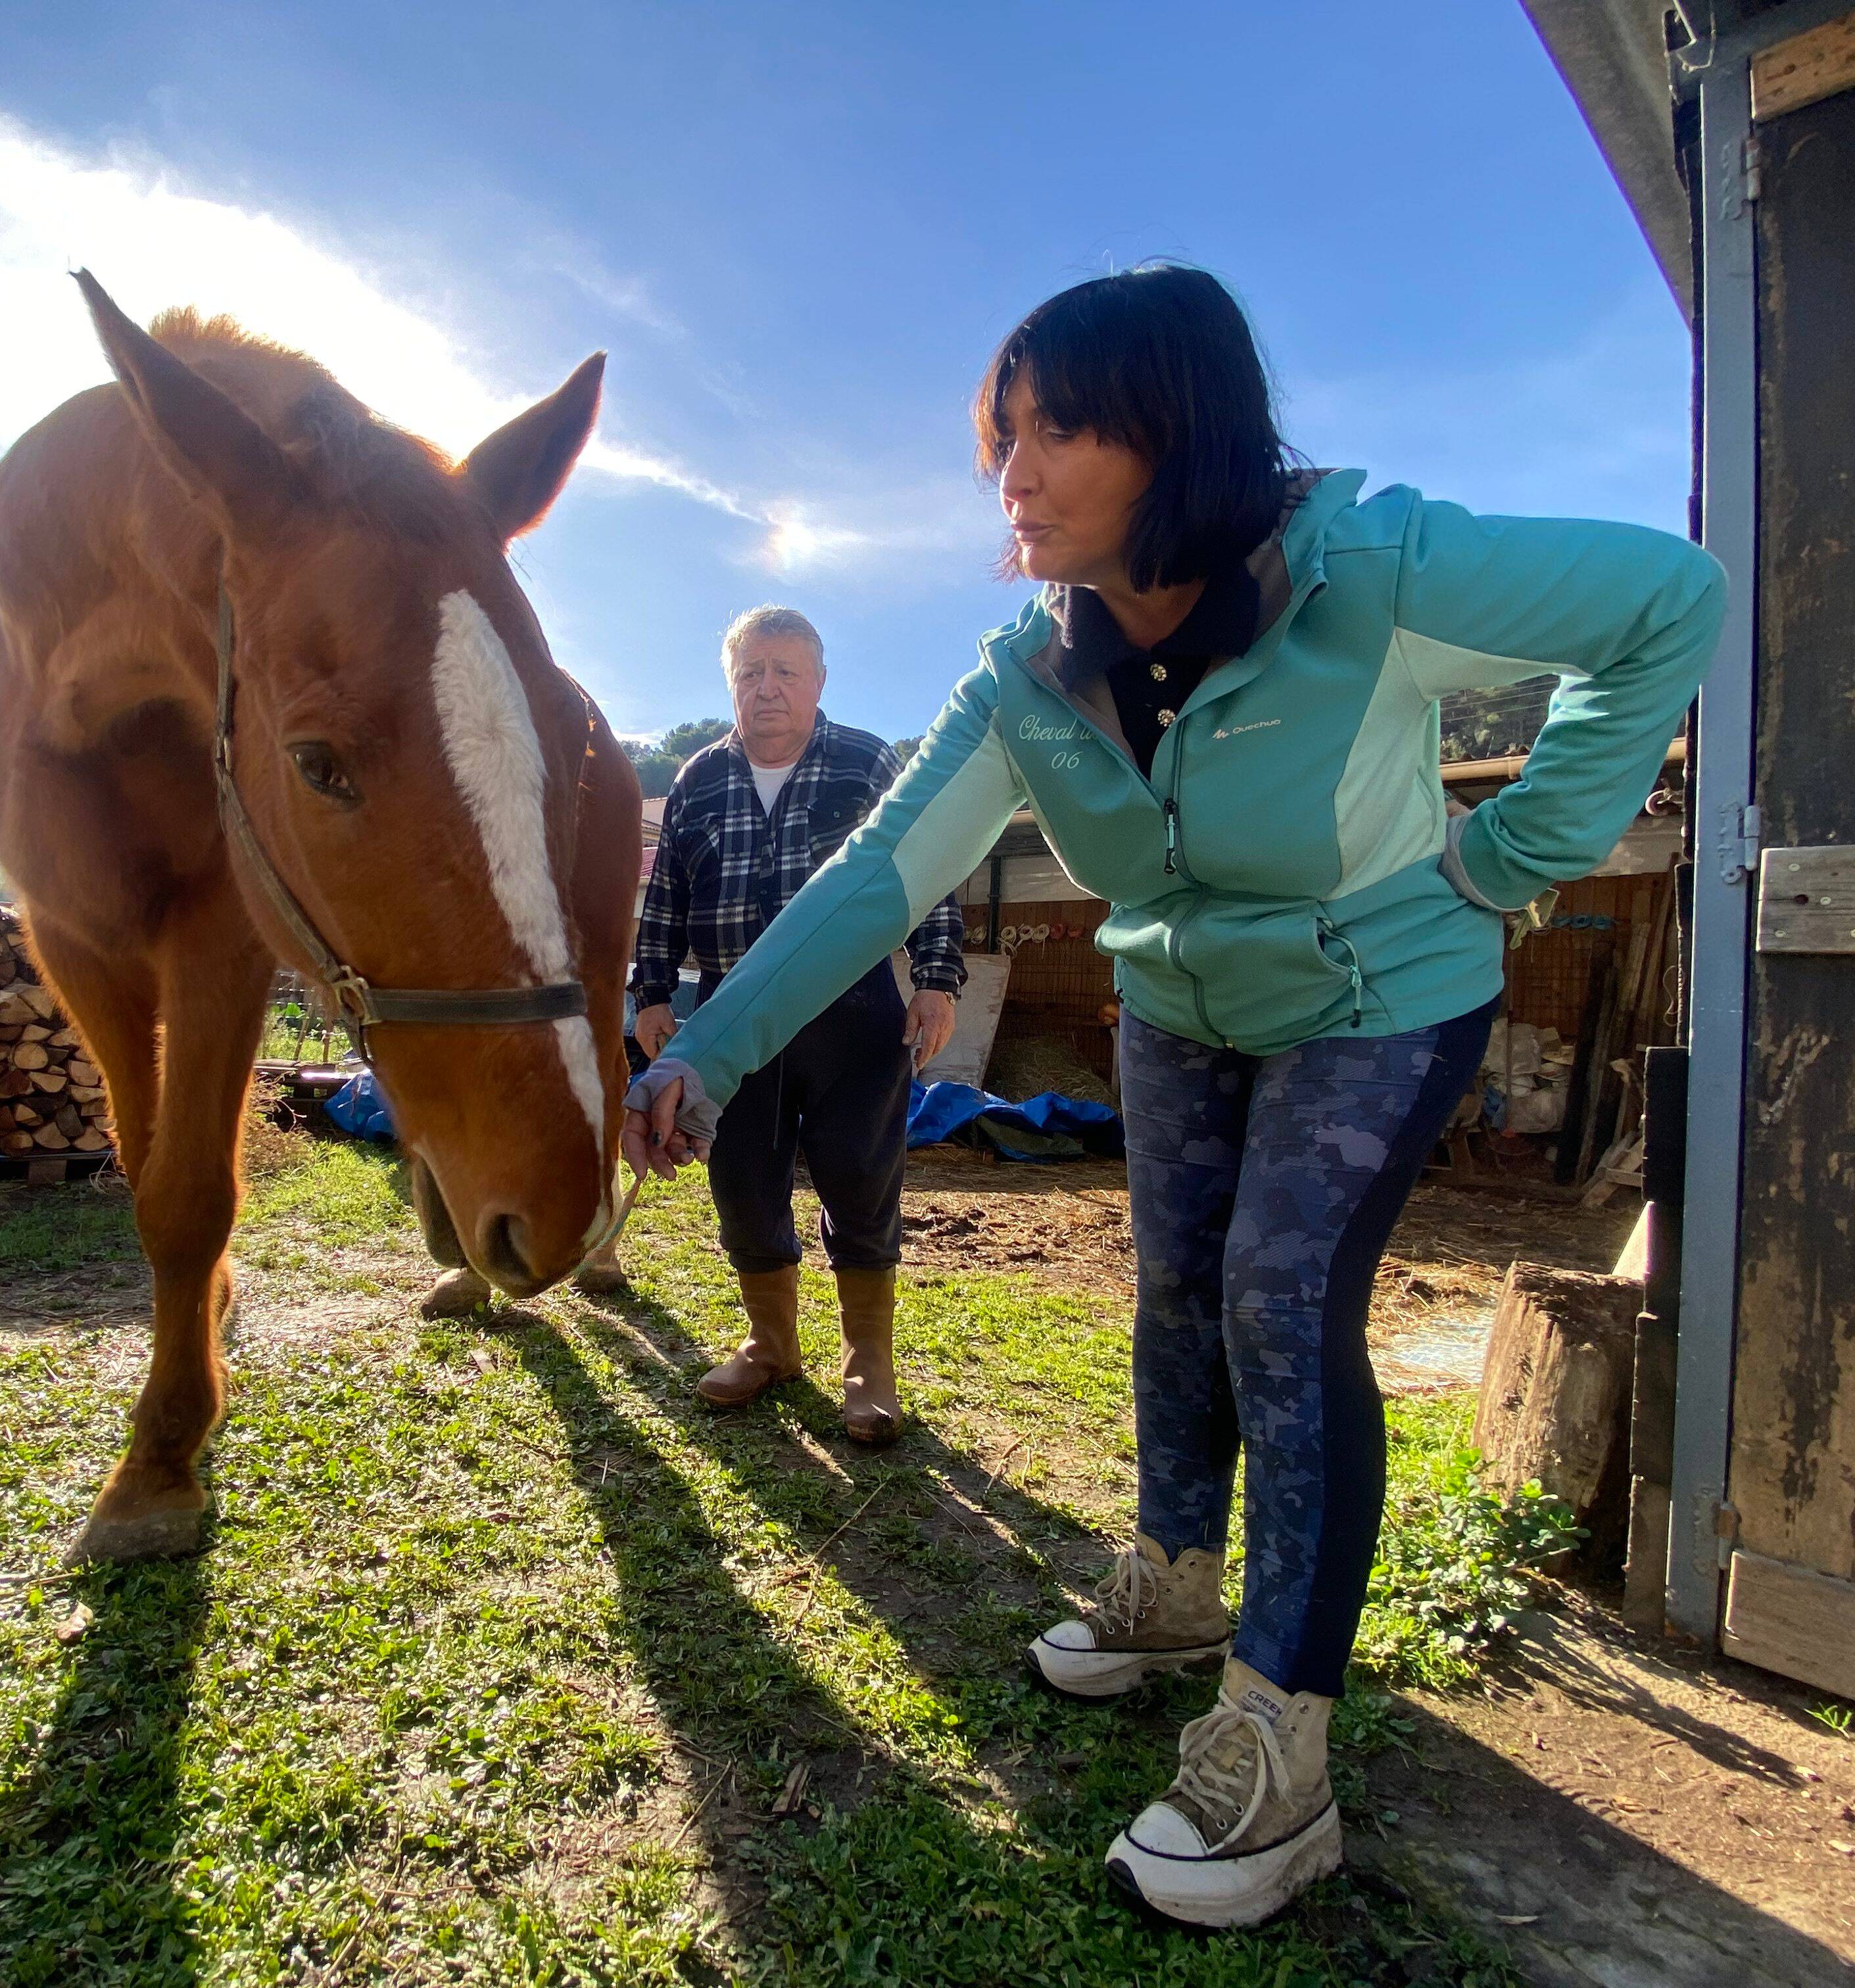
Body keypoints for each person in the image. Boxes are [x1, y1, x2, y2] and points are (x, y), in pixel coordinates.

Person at [622, 266, 1722, 1926]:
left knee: (1276, 1300)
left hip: (1380, 990)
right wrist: (707, 1050)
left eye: (1059, 430)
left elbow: (1670, 599)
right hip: (1179, 1004)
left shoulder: (1371, 566)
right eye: (1001, 440)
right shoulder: (1027, 673)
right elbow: (876, 875)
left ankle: (1279, 1742)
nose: (1013, 477)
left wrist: (1518, 850)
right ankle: (1176, 1588)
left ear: (1180, 426)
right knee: (1172, 1293)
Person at [632, 605, 965, 1444]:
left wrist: (935, 978)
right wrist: (652, 993)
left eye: (786, 671)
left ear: (818, 682)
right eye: (750, 672)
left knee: (860, 1175)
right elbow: (664, 895)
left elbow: (924, 865)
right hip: (727, 1013)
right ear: (731, 685)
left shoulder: (866, 762)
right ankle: (771, 1345)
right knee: (742, 1180)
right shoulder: (699, 778)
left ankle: (868, 1365)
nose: (767, 688)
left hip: (852, 1006)